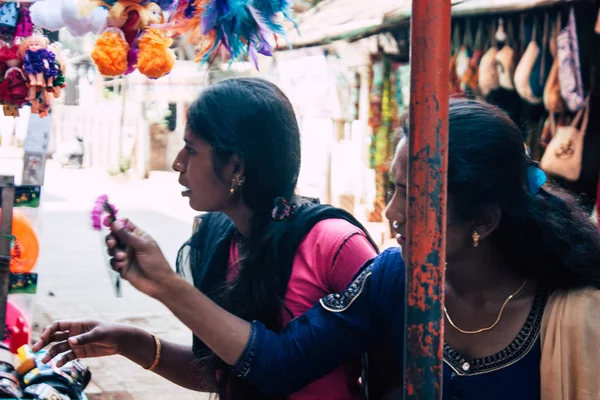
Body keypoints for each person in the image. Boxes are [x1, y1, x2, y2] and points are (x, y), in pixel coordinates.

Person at [35, 99, 600, 399]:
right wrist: (159, 296)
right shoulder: (392, 277)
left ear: (485, 219)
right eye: (393, 189)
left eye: (414, 196)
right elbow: (277, 365)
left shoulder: (576, 317)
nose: (391, 214)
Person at [31, 77, 379, 400]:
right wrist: (128, 341)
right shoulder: (219, 237)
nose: (177, 163)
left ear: (236, 167)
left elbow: (386, 369)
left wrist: (167, 285)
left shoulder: (337, 245)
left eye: (191, 150)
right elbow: (225, 372)